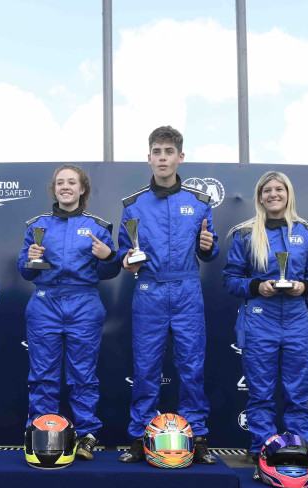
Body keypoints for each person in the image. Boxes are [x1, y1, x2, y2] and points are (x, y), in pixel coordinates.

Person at [117, 125, 219, 465]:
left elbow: (209, 248)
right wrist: (127, 262)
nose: (163, 158)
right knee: (145, 368)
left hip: (188, 289)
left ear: (180, 157)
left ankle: (198, 436)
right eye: (157, 153)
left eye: (169, 152)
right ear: (149, 159)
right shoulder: (133, 206)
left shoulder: (199, 202)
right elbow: (124, 253)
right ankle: (138, 436)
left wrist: (208, 247)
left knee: (192, 366)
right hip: (149, 290)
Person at [222, 171, 308, 464]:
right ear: (259, 197)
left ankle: (299, 446)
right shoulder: (245, 233)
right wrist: (256, 286)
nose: (273, 194)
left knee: (298, 393)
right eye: (267, 190)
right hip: (259, 318)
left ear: (288, 194)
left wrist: (304, 286)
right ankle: (261, 448)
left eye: (279, 189)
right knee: (261, 393)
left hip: (297, 320)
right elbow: (230, 279)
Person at [18, 164, 121, 460]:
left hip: (84, 304)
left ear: (82, 189)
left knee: (82, 375)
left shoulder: (98, 227)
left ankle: (87, 434)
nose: (65, 186)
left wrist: (109, 256)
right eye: (60, 182)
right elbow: (23, 272)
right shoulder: (37, 226)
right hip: (44, 303)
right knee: (42, 375)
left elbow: (110, 271)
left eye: (71, 182)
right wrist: (29, 259)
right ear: (54, 189)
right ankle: (42, 431)